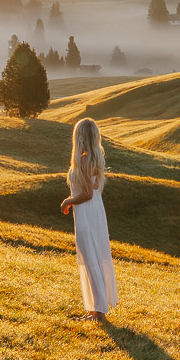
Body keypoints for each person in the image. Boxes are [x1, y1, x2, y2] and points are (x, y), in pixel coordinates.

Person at [60, 117, 118, 321]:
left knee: (90, 258)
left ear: (80, 137)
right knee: (94, 256)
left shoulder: (84, 160)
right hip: (95, 212)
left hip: (86, 211)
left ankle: (98, 311)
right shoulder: (94, 159)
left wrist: (67, 201)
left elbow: (86, 194)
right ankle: (96, 309)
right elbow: (92, 188)